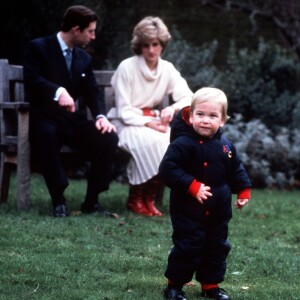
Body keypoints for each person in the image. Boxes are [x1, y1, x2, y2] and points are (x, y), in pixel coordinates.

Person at [23, 5, 119, 217]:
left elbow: (92, 92)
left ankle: (92, 201)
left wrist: (101, 117)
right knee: (47, 134)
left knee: (108, 137)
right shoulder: (38, 47)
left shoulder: (83, 58)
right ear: (76, 30)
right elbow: (32, 80)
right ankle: (59, 201)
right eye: (90, 31)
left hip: (71, 121)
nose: (93, 36)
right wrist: (58, 91)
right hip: (44, 119)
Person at [159, 87, 252, 300]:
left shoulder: (226, 146)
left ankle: (210, 285)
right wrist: (191, 186)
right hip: (187, 209)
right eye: (200, 114)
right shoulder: (182, 143)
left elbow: (236, 168)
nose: (205, 120)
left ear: (222, 121)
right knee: (187, 246)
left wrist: (243, 191)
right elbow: (168, 169)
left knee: (217, 247)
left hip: (218, 210)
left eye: (212, 116)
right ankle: (174, 286)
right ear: (190, 116)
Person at [107, 16, 193, 217]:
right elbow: (124, 111)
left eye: (155, 44)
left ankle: (149, 198)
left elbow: (189, 97)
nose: (151, 50)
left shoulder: (167, 69)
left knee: (169, 141)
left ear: (162, 44)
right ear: (139, 46)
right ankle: (135, 199)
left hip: (152, 122)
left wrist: (172, 109)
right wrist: (150, 123)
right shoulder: (127, 67)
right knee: (148, 140)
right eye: (146, 45)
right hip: (124, 122)